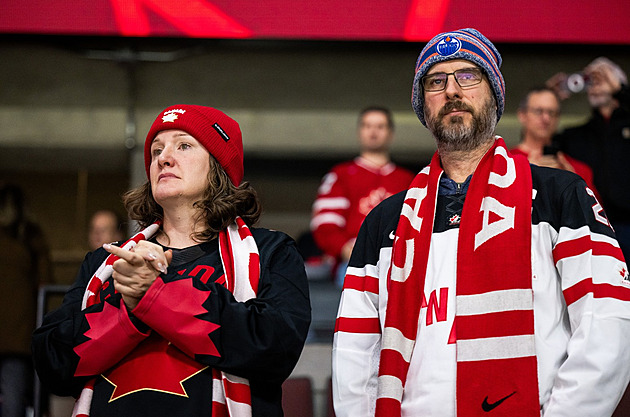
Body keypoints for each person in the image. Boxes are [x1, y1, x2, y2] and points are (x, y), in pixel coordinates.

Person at [332, 28, 630, 417]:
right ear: (423, 106)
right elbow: (355, 354)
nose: (452, 90)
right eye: (436, 81)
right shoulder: (385, 221)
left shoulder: (562, 196)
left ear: (495, 95)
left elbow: (606, 323)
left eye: (468, 76)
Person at [32, 105, 311, 417]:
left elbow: (275, 349)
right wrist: (130, 310)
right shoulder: (106, 261)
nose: (163, 158)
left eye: (184, 145)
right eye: (156, 150)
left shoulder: (270, 250)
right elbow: (52, 363)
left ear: (219, 166)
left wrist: (157, 296)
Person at [310, 106, 414, 286]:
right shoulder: (341, 175)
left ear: (391, 133)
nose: (373, 132)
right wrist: (345, 249)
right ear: (359, 131)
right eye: (367, 126)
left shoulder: (408, 180)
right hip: (352, 264)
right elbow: (325, 224)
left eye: (380, 127)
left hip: (399, 265)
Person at [550, 57, 630, 263]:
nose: (595, 83)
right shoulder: (576, 136)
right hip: (595, 228)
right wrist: (551, 98)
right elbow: (542, 145)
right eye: (590, 79)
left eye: (602, 77)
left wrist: (620, 91)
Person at [0, 183, 52, 417]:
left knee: (13, 401)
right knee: (13, 402)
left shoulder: (30, 237)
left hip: (17, 339)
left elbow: (44, 283)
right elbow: (45, 283)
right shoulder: (30, 236)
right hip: (19, 338)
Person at [511, 86, 599, 197]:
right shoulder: (505, 161)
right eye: (538, 111)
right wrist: (523, 174)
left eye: (552, 112)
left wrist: (573, 182)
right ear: (522, 115)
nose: (546, 118)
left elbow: (594, 212)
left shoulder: (579, 170)